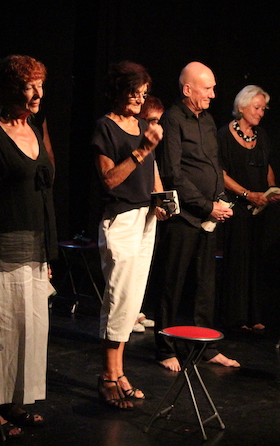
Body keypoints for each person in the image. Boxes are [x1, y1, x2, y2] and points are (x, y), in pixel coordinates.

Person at [0, 55, 55, 435]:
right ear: (11, 90)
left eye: (39, 85)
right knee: (3, 329)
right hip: (3, 246)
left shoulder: (36, 127)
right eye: (29, 86)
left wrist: (48, 252)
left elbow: (45, 190)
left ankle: (16, 402)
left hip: (36, 245)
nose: (37, 94)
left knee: (32, 330)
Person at [151, 61, 239, 371]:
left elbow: (213, 166)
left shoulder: (207, 121)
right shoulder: (173, 119)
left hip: (210, 216)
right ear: (188, 89)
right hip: (184, 217)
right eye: (208, 88)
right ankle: (165, 348)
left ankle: (206, 347)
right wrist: (205, 205)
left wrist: (220, 200)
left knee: (206, 286)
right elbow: (173, 173)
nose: (213, 94)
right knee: (171, 284)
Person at [91, 61, 167, 409]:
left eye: (143, 93)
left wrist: (163, 201)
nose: (139, 98)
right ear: (119, 91)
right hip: (121, 218)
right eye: (134, 92)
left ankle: (119, 372)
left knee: (133, 301)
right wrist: (141, 149)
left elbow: (152, 173)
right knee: (119, 297)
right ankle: (107, 374)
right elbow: (109, 180)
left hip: (146, 217)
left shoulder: (142, 126)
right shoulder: (105, 127)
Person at [218, 85, 280, 332]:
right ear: (241, 107)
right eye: (256, 108)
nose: (261, 113)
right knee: (237, 261)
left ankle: (253, 314)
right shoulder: (224, 135)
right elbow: (220, 174)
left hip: (259, 208)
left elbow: (266, 166)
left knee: (255, 260)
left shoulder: (261, 136)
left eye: (263, 109)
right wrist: (246, 194)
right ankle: (234, 316)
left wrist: (272, 189)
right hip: (236, 206)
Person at [131, 95, 165, 334]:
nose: (155, 127)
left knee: (143, 264)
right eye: (151, 120)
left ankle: (136, 310)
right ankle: (127, 315)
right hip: (132, 207)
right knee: (129, 265)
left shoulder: (151, 147)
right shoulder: (134, 141)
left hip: (148, 210)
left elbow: (154, 170)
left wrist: (161, 199)